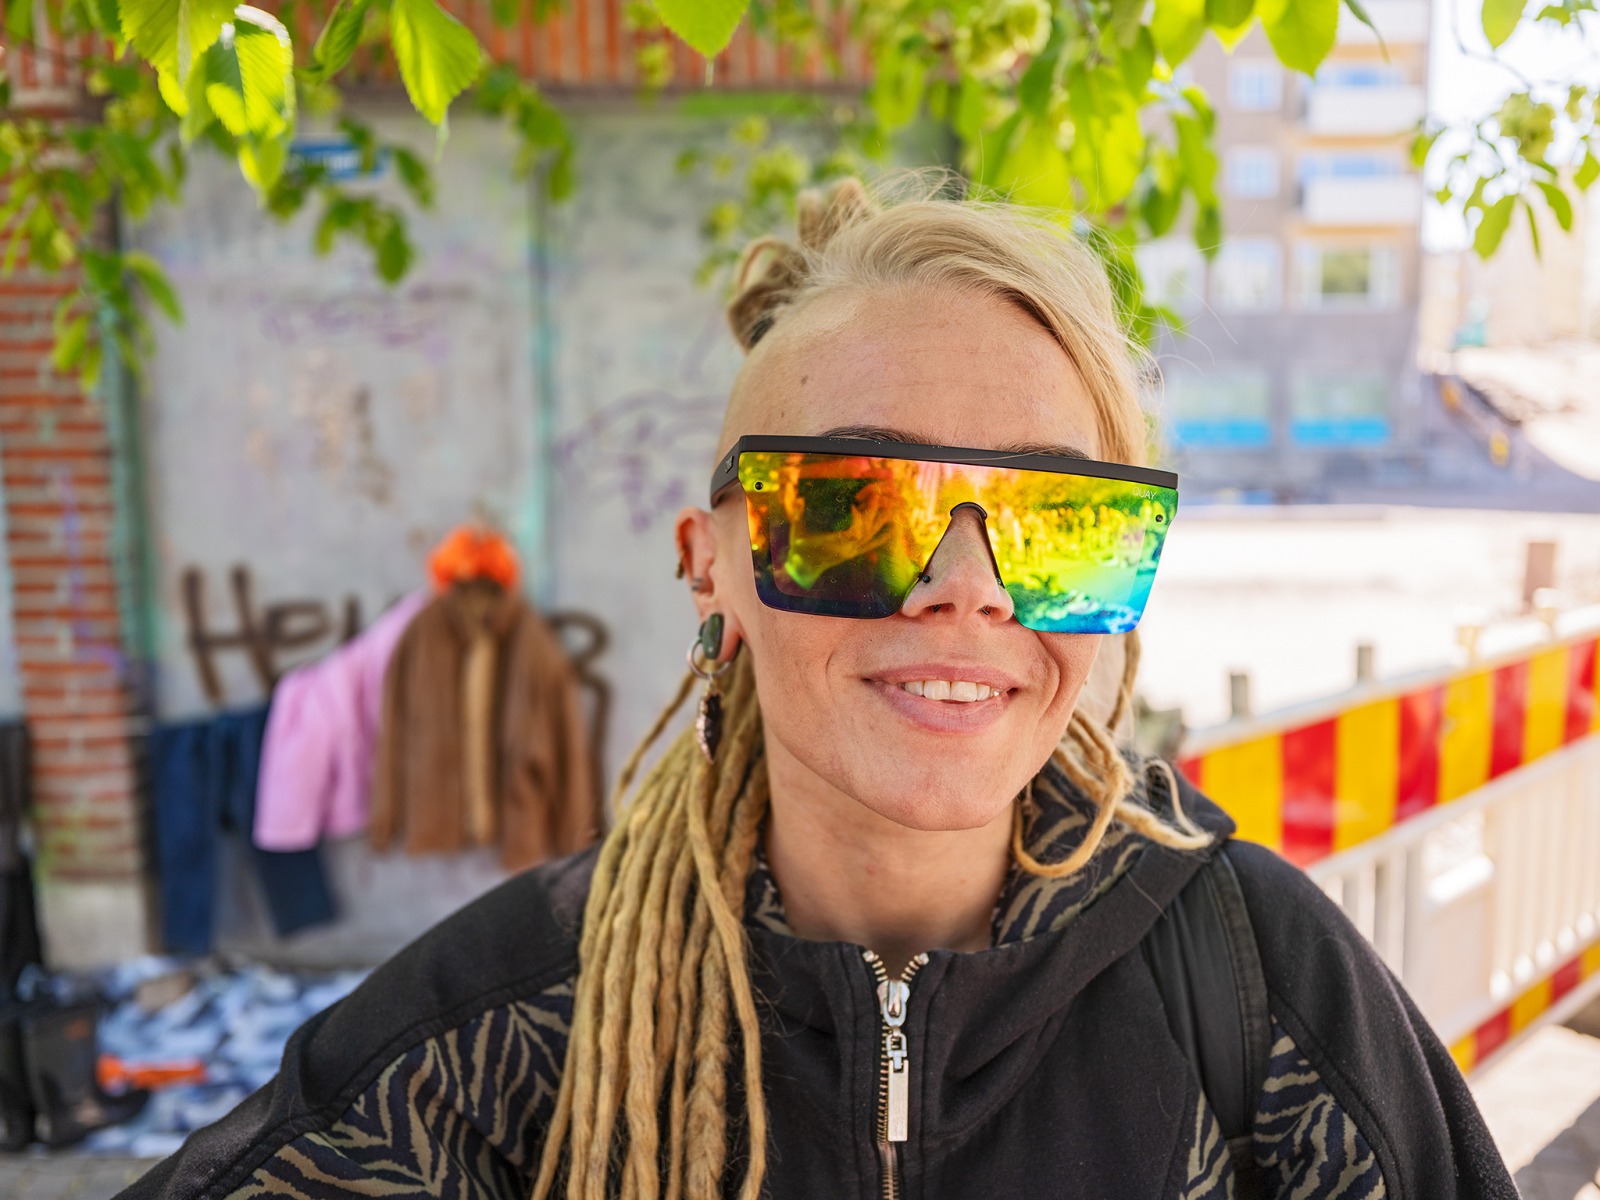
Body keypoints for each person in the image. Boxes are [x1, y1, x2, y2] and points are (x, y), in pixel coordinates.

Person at [119, 179, 1515, 1200]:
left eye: (1060, 522)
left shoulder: (1259, 981)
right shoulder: (503, 1030)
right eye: (853, 505)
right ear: (706, 565)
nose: (968, 591)